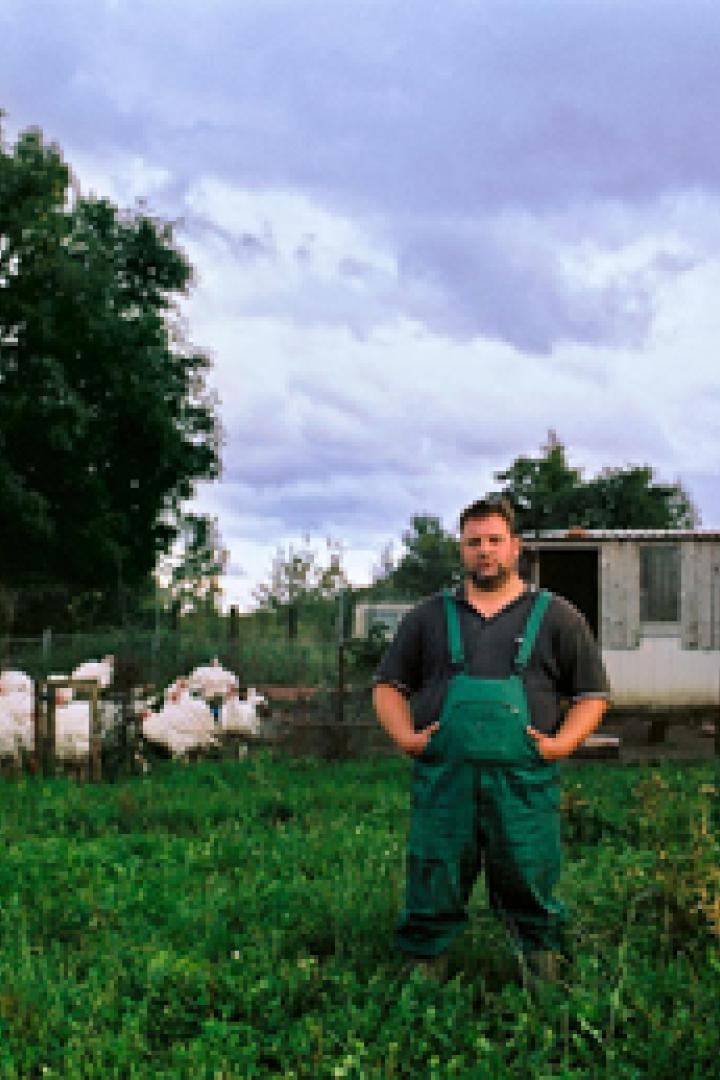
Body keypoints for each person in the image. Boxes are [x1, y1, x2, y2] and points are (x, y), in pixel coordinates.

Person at [372, 497, 610, 983]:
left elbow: (592, 694)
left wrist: (560, 746)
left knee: (528, 873)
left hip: (523, 782)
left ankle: (540, 980)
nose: (485, 551)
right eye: (474, 542)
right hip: (446, 781)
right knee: (434, 874)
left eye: (495, 541)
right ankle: (424, 979)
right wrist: (406, 738)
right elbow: (388, 687)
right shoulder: (428, 616)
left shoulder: (558, 616)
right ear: (461, 550)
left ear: (515, 547)